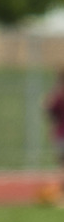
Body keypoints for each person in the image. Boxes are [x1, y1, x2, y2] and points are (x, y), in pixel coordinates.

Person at [45, 68, 64, 203]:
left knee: (62, 166)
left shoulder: (58, 95)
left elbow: (49, 110)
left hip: (60, 135)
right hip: (60, 134)